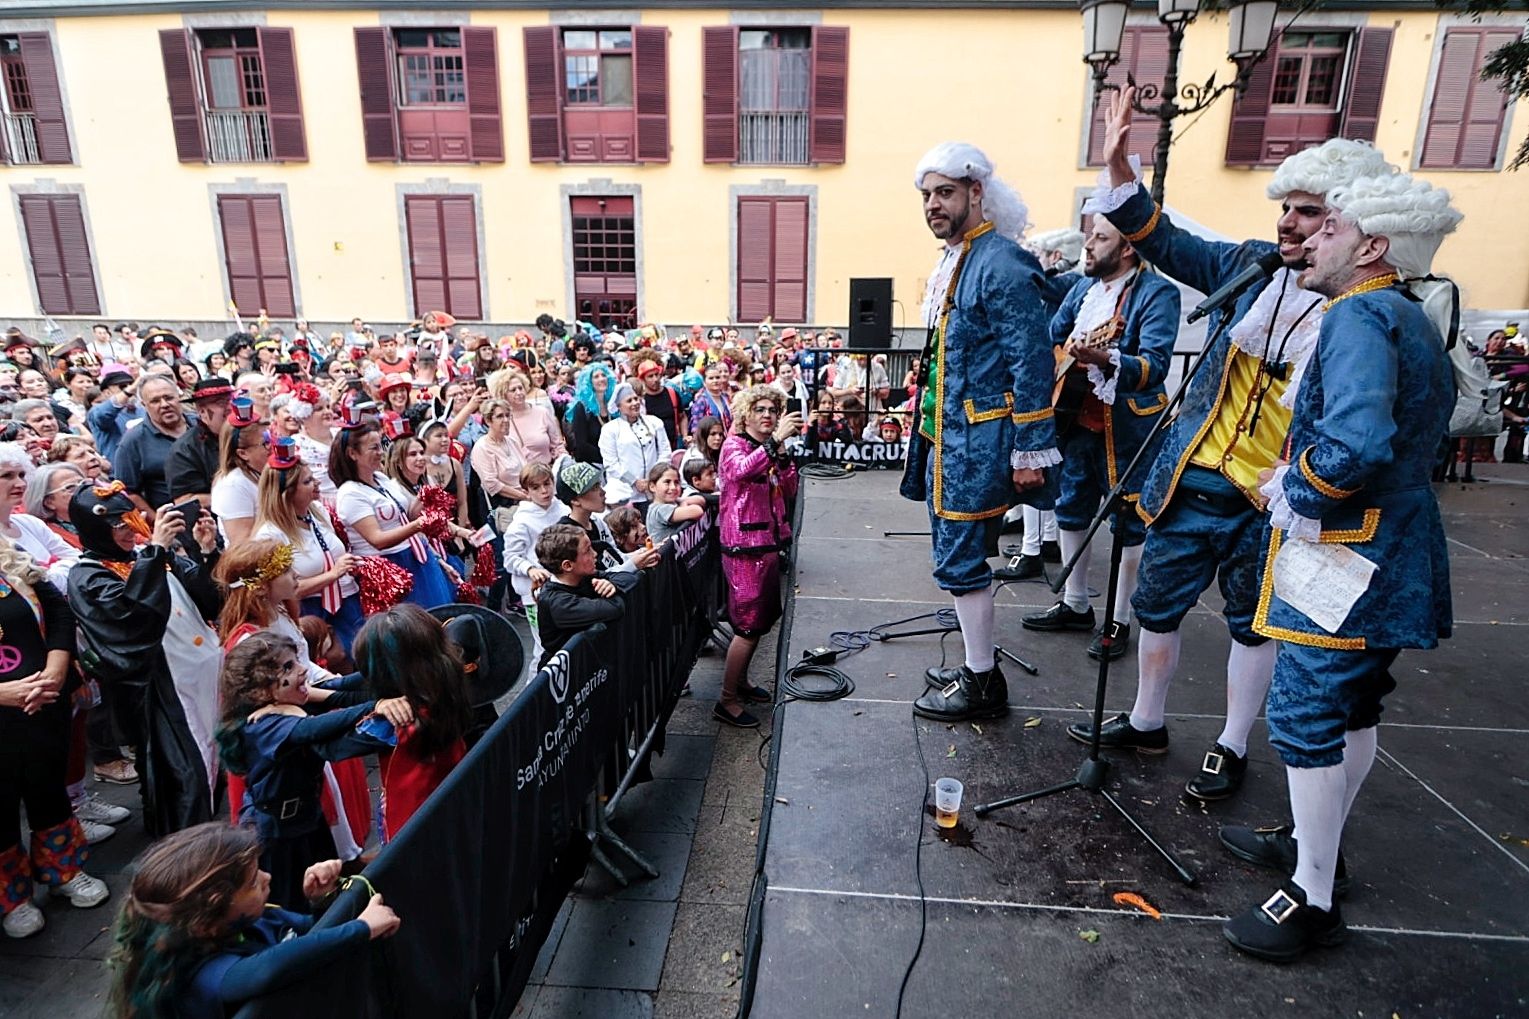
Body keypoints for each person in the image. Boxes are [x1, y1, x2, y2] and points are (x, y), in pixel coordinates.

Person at [1073, 87, 1398, 801]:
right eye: (1285, 208)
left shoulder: (1357, 302)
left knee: (1252, 626)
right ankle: (1145, 719)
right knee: (1154, 605)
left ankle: (1229, 743)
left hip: (1273, 499)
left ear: (1343, 223)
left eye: (1308, 212)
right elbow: (1163, 240)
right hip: (1191, 479)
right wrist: (1118, 160)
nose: (1288, 224)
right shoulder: (1247, 266)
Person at [1220, 173, 1460, 962]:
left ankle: (1311, 894)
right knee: (1353, 707)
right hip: (1391, 546)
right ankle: (1315, 851)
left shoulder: (1358, 314)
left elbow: (1355, 445)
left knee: (1307, 713)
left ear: (1372, 247)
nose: (1310, 235)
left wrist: (1291, 485)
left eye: (1330, 227)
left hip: (1347, 557)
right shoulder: (1406, 314)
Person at [903, 142, 1059, 723]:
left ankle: (983, 680)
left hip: (979, 444)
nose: (932, 205)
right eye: (926, 195)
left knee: (963, 558)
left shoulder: (1001, 262)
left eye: (944, 193)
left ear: (977, 193)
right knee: (955, 555)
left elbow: (1032, 361)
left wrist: (1031, 448)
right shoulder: (961, 258)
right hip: (949, 438)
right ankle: (974, 664)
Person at [1018, 216, 1180, 661]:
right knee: (1070, 508)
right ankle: (1075, 603)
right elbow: (1055, 337)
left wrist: (1109, 358)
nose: (1087, 245)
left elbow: (1155, 365)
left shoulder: (1157, 293)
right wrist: (1065, 355)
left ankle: (1119, 618)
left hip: (1128, 428)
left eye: (1100, 238)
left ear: (1128, 248)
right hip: (1075, 421)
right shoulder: (1084, 290)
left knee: (1128, 520)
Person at [107, 822, 400, 1019]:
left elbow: (312, 937)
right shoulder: (198, 977)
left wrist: (321, 901)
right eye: (252, 883)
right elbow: (265, 970)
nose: (267, 878)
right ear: (211, 913)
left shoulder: (257, 918)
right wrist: (360, 929)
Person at [68, 481, 223, 837]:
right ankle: (188, 857)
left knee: (216, 768)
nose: (127, 531)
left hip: (204, 680)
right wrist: (155, 551)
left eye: (130, 520)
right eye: (117, 525)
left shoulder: (149, 557)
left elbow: (208, 601)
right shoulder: (88, 576)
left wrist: (204, 551)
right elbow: (131, 624)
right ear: (94, 530)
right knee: (184, 780)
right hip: (162, 693)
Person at [215, 632, 404, 908]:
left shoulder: (287, 705)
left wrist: (394, 669)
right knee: (288, 903)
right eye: (288, 667)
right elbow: (314, 728)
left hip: (307, 821)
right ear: (260, 689)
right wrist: (375, 705)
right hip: (276, 836)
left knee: (328, 889)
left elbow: (340, 689)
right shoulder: (262, 725)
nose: (302, 669)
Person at [0, 534, 111, 939]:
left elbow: (58, 611)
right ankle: (12, 896)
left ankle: (64, 869)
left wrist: (56, 669)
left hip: (43, 704)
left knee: (48, 787)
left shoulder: (7, 557)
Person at [716, 386, 801, 728]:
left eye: (773, 410)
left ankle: (740, 682)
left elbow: (790, 488)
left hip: (765, 543)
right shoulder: (733, 446)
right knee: (748, 626)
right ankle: (726, 700)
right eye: (760, 409)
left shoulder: (766, 448)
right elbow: (741, 472)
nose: (768, 415)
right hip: (743, 548)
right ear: (745, 414)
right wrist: (773, 444)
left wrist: (782, 456)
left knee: (760, 623)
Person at [352, 604, 473, 840]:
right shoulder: (445, 688)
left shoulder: (396, 720)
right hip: (451, 802)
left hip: (411, 824)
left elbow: (324, 743)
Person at [331, 417, 454, 611]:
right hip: (389, 568)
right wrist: (419, 525)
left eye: (381, 446)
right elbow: (378, 539)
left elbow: (407, 516)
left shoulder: (380, 479)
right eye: (374, 448)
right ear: (353, 453)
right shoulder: (350, 493)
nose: (381, 452)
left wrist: (426, 498)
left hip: (415, 557)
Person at [253, 437, 364, 652]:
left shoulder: (318, 513)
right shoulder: (269, 535)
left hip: (347, 603)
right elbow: (282, 590)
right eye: (307, 482)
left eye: (313, 478)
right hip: (309, 612)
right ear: (287, 494)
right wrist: (333, 574)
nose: (317, 483)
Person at [533, 524, 640, 669]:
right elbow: (615, 608)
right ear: (568, 565)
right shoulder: (558, 603)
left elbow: (628, 578)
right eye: (587, 551)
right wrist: (614, 593)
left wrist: (613, 586)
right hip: (569, 678)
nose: (595, 554)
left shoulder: (584, 578)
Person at [501, 462, 568, 664]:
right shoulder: (521, 522)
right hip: (535, 594)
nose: (544, 491)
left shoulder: (563, 509)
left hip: (564, 586)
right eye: (536, 487)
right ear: (527, 491)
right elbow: (510, 558)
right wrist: (529, 569)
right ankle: (536, 689)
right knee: (544, 647)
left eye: (547, 484)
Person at [0, 442, 78, 591]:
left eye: (22, 475)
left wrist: (48, 573)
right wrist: (59, 567)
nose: (20, 483)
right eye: (7, 476)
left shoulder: (30, 522)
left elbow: (78, 562)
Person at [114, 375, 193, 516]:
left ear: (179, 396)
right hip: (177, 524)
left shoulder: (201, 425)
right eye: (155, 401)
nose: (164, 405)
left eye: (169, 397)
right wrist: (158, 520)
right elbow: (128, 492)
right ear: (144, 405)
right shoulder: (132, 442)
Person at [600, 382, 672, 513]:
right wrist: (634, 481)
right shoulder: (610, 430)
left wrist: (653, 478)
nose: (634, 403)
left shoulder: (654, 422)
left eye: (636, 399)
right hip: (626, 494)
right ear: (619, 407)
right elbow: (611, 464)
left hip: (654, 489)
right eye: (629, 401)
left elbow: (665, 451)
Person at [210, 399, 269, 545]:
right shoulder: (233, 486)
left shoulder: (262, 472)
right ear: (243, 453)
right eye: (265, 443)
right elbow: (242, 545)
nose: (272, 447)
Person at [565, 363, 617, 466]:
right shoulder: (581, 407)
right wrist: (608, 457)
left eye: (603, 375)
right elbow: (582, 445)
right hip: (594, 466)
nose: (601, 379)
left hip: (615, 463)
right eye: (596, 377)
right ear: (589, 382)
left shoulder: (613, 404)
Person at [646, 461, 706, 544]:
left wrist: (682, 500)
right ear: (652, 486)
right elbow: (697, 511)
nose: (673, 487)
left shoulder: (673, 502)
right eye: (667, 482)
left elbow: (701, 500)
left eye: (676, 482)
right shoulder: (659, 510)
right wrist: (684, 503)